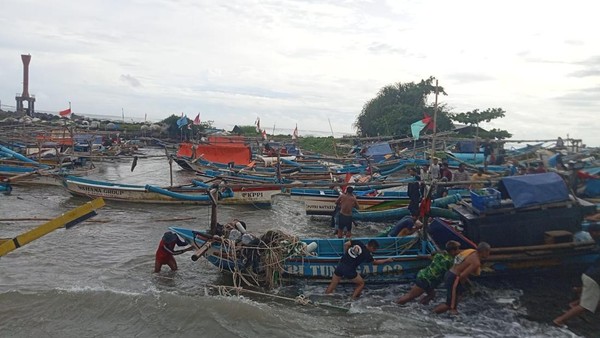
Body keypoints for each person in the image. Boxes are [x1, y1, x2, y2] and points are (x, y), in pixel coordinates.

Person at [553, 223, 600, 328]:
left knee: (594, 297)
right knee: (586, 306)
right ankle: (559, 321)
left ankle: (574, 303)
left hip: (591, 275)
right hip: (594, 278)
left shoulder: (597, 241)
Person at [433, 242, 491, 315]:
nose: (489, 254)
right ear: (484, 251)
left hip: (450, 273)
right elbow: (463, 275)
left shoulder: (470, 251)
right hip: (454, 277)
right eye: (488, 252)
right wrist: (462, 284)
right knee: (450, 304)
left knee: (459, 295)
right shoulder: (476, 262)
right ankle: (431, 314)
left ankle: (452, 311)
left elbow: (458, 257)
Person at [397, 241, 462, 305]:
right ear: (453, 251)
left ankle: (420, 305)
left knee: (431, 295)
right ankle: (395, 305)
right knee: (410, 296)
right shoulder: (450, 261)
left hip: (425, 276)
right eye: (458, 248)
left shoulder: (440, 254)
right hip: (426, 280)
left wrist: (422, 256)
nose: (459, 250)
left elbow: (431, 255)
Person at [325, 239, 393, 299]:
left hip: (340, 265)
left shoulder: (358, 242)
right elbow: (375, 262)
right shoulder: (367, 254)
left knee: (333, 284)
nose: (374, 251)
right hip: (349, 270)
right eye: (374, 249)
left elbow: (346, 244)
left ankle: (325, 297)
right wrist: (387, 260)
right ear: (371, 247)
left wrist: (346, 254)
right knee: (361, 284)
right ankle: (352, 299)